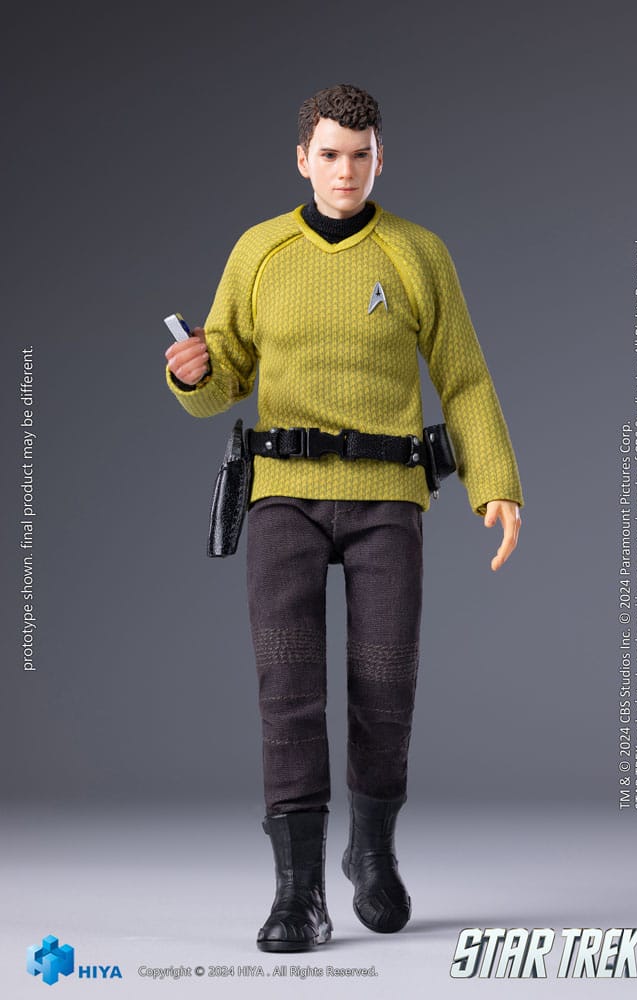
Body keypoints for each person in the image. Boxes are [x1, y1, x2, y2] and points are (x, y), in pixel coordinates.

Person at [164, 84, 523, 953]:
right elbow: (225, 376)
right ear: (302, 159)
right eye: (329, 154)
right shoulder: (260, 250)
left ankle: (372, 853)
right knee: (286, 686)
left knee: (384, 681)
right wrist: (189, 373)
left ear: (380, 158)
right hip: (283, 494)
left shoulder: (415, 252)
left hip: (387, 497)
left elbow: (463, 375)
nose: (345, 171)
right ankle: (297, 892)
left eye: (361, 155)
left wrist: (494, 483)